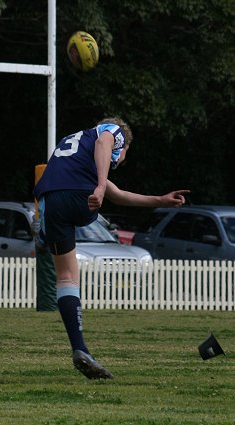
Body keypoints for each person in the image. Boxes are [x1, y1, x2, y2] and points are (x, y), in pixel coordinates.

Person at [34, 117, 190, 380]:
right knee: (93, 204)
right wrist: (101, 184)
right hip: (78, 197)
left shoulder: (71, 142)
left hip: (49, 201)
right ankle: (51, 232)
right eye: (123, 155)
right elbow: (105, 144)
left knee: (67, 278)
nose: (120, 160)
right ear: (124, 142)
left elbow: (118, 195)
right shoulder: (111, 131)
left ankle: (80, 349)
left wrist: (159, 200)